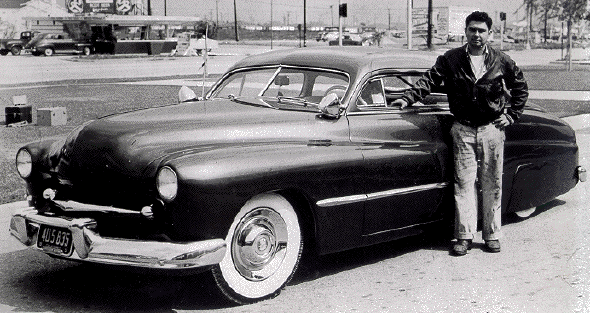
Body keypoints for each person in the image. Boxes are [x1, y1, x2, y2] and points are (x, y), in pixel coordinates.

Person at [391, 11, 528, 256]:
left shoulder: (502, 60)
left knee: (492, 183)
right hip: (462, 128)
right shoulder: (451, 59)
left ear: (490, 33)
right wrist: (407, 98)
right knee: (463, 184)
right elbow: (429, 80)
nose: (476, 34)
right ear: (465, 31)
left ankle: (492, 235)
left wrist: (511, 115)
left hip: (491, 129)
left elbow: (520, 87)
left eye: (481, 30)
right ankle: (464, 236)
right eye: (472, 30)